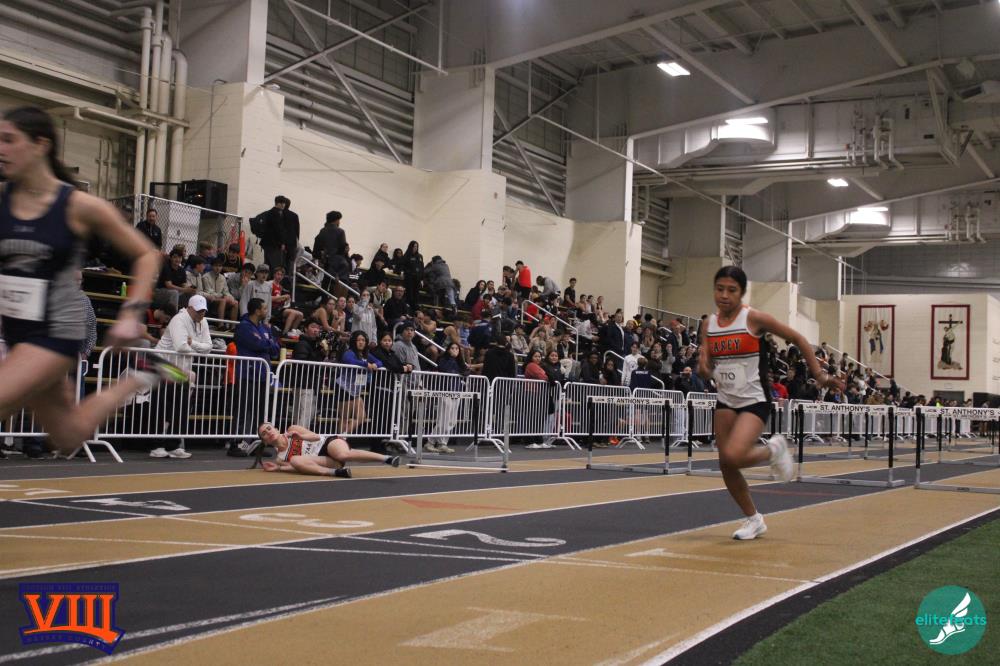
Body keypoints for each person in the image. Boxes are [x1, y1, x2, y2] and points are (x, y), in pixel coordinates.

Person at [0, 106, 189, 456]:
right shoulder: (4, 200)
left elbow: (147, 255)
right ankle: (140, 376)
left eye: (9, 140)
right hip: (16, 332)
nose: (2, 149)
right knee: (67, 436)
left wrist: (130, 315)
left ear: (40, 145)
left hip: (55, 331)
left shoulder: (76, 205)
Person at [699, 266, 842, 541]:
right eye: (719, 289)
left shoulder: (754, 319)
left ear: (742, 293)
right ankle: (754, 520)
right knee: (726, 463)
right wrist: (704, 367)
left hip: (754, 399)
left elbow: (798, 339)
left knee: (734, 455)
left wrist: (820, 375)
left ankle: (773, 450)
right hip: (726, 399)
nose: (724, 295)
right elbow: (705, 364)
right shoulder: (709, 325)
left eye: (731, 290)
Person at [151, 294, 215, 458]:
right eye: (199, 311)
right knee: (162, 406)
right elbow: (180, 346)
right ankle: (157, 445)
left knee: (181, 407)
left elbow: (209, 347)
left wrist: (193, 343)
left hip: (182, 369)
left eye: (203, 311)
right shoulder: (178, 319)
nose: (201, 314)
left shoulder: (203, 322)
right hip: (164, 365)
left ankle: (173, 445)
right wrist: (198, 348)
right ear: (190, 308)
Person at [257, 422, 399, 477]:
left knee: (343, 454)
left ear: (276, 428)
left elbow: (316, 437)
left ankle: (387, 459)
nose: (268, 432)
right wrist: (278, 468)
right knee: (295, 460)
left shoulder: (292, 430)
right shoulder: (280, 458)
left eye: (269, 428)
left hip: (327, 444)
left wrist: (301, 437)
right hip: (323, 461)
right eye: (264, 433)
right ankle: (336, 473)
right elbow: (297, 467)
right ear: (265, 441)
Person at [338, 330, 382, 436]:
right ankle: (340, 438)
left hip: (356, 389)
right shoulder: (349, 352)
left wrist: (375, 365)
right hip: (344, 387)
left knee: (361, 417)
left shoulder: (365, 354)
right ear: (354, 341)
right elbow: (349, 360)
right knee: (344, 417)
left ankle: (342, 436)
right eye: (358, 340)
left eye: (363, 340)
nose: (361, 342)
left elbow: (380, 362)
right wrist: (366, 364)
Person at [253, 195, 290, 273]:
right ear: (277, 203)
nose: (283, 205)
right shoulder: (277, 214)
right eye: (282, 203)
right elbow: (279, 230)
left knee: (268, 264)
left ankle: (266, 278)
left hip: (267, 243)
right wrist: (282, 243)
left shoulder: (269, 212)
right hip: (274, 244)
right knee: (275, 266)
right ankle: (272, 279)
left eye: (284, 203)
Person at [313, 210, 349, 281]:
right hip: (336, 263)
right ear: (336, 220)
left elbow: (317, 246)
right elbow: (342, 248)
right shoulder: (340, 231)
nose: (339, 222)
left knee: (325, 281)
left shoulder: (322, 231)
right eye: (339, 220)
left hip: (325, 261)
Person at [400, 240, 424, 311]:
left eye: (416, 246)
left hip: (417, 279)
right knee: (410, 295)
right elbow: (402, 265)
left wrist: (422, 279)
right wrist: (403, 272)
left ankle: (415, 309)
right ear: (411, 247)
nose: (415, 248)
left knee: (416, 295)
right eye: (414, 246)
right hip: (409, 278)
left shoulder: (420, 256)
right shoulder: (407, 255)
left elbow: (422, 268)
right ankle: (409, 309)